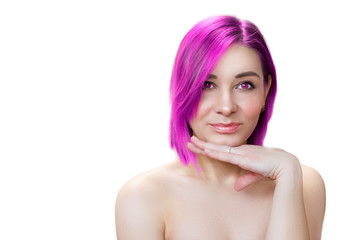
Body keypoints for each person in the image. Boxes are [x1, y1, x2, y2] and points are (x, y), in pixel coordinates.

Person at [115, 15, 326, 240]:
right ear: (183, 89)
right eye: (208, 84)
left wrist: (288, 173)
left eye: (245, 85)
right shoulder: (143, 197)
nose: (226, 107)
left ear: (265, 91)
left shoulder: (303, 184)